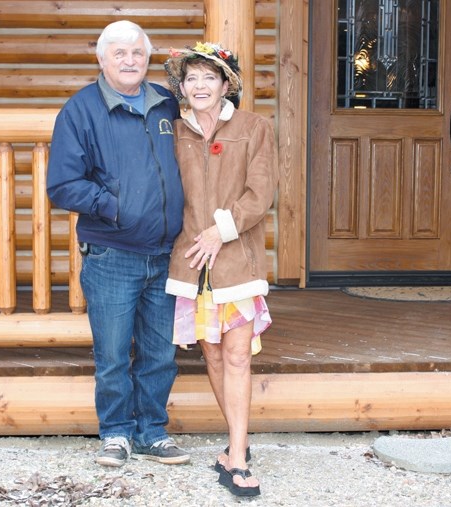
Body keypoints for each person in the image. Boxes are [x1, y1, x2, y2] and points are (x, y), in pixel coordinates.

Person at [46, 20, 189, 468]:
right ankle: (115, 432)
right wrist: (118, 206)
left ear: (148, 59)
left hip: (167, 253)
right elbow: (63, 185)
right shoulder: (80, 110)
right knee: (112, 353)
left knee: (160, 353)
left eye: (138, 54)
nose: (130, 61)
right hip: (112, 254)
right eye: (120, 54)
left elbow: (223, 108)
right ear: (102, 59)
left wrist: (200, 66)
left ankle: (151, 431)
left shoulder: (169, 103)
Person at [164, 42, 279, 496]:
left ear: (226, 83)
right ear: (182, 87)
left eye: (208, 77)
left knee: (235, 354)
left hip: (235, 257)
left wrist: (221, 231)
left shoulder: (254, 127)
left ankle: (237, 454)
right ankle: (236, 447)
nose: (199, 86)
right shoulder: (172, 131)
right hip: (191, 260)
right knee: (210, 353)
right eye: (191, 78)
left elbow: (261, 191)